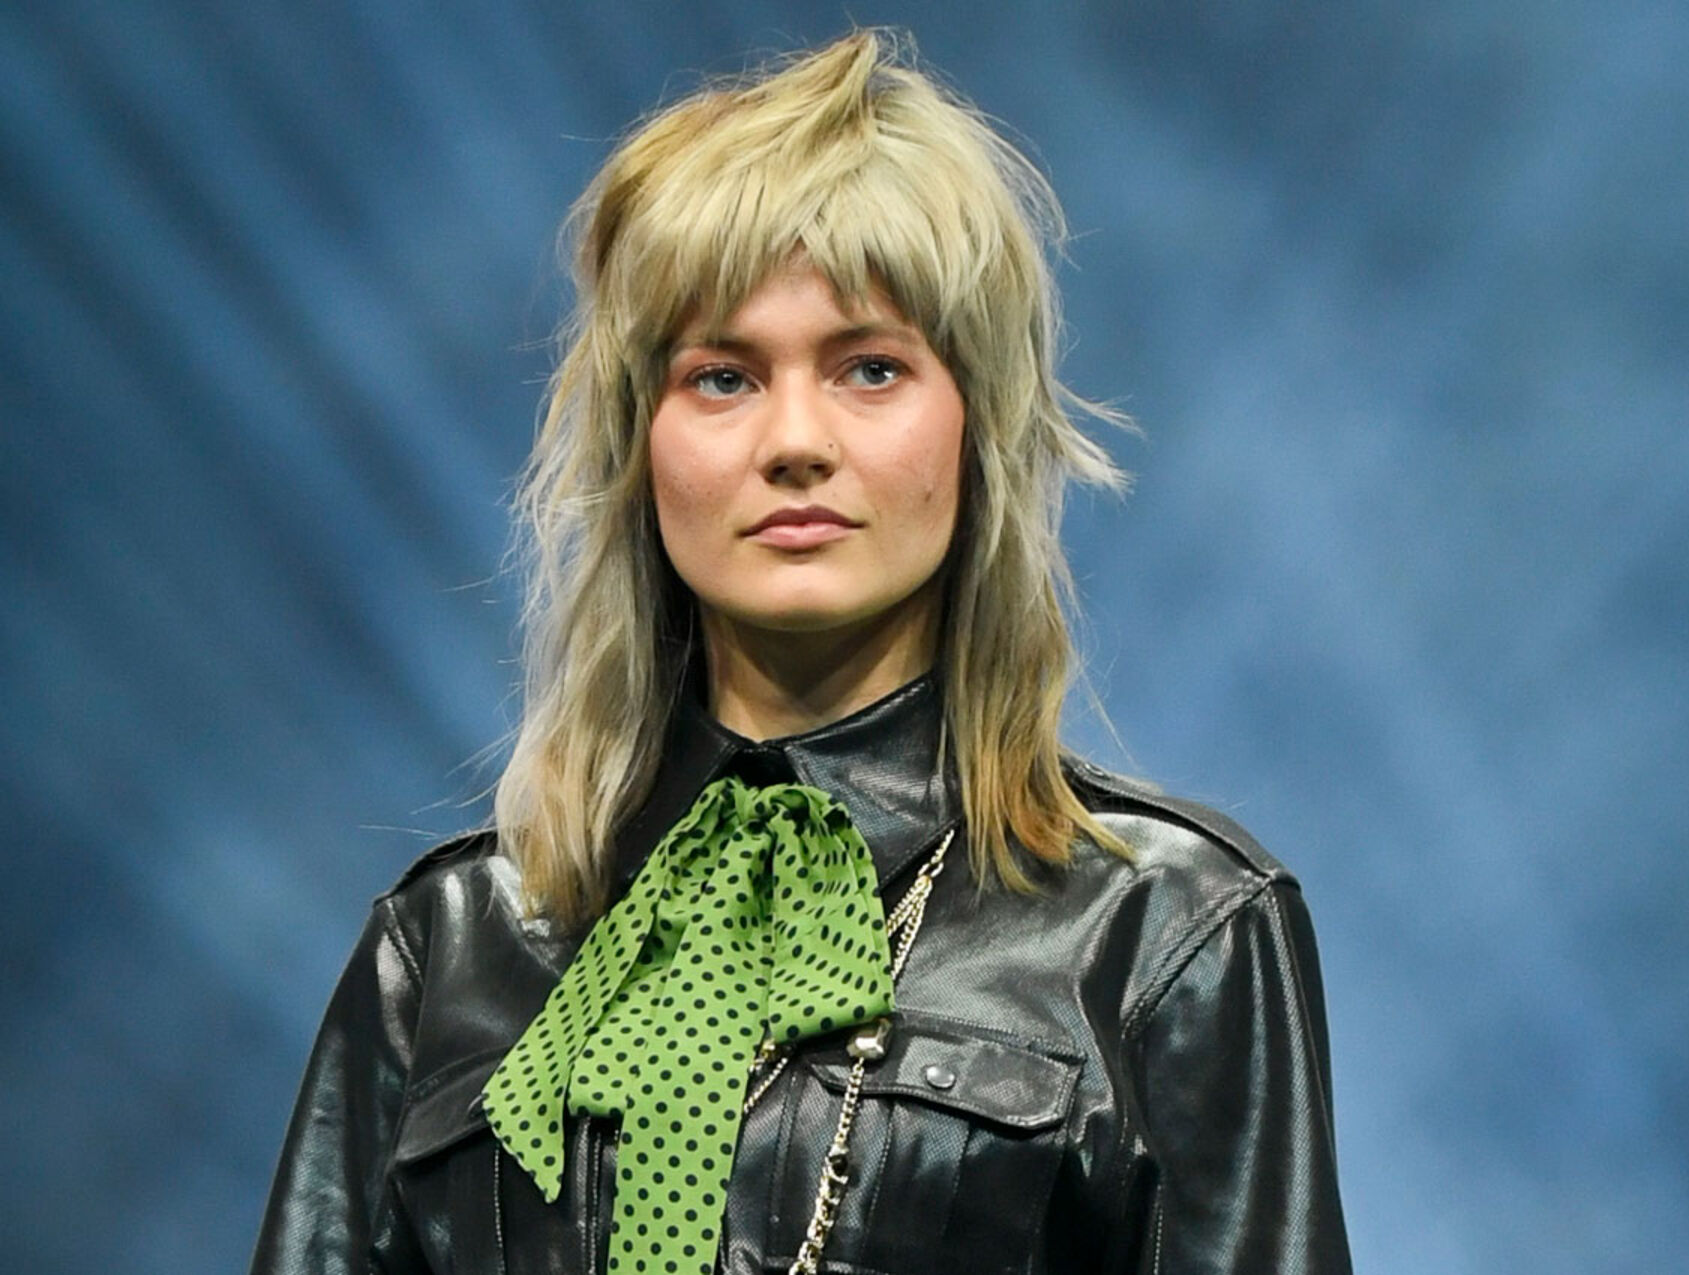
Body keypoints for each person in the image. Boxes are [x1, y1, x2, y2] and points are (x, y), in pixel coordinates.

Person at [251, 29, 1351, 1275]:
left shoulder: (1166, 933)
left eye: (870, 368)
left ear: (979, 427)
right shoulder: (448, 945)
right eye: (722, 377)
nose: (794, 442)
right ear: (639, 445)